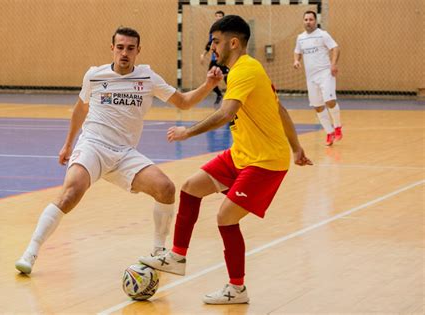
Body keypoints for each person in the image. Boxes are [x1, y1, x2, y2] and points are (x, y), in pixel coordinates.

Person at [15, 27, 223, 275]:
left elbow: (184, 103)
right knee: (70, 194)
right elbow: (80, 109)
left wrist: (209, 84)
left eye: (130, 48)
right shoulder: (94, 75)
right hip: (93, 145)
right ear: (112, 48)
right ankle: (31, 251)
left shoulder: (148, 78)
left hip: (124, 154)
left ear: (138, 51)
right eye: (120, 47)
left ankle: (158, 253)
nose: (125, 53)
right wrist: (68, 143)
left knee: (166, 189)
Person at [140, 15, 312, 304]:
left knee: (225, 216)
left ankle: (237, 289)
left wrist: (187, 132)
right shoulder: (244, 71)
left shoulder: (245, 70)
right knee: (191, 187)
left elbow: (225, 114)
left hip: (265, 161)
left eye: (216, 42)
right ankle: (177, 257)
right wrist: (297, 147)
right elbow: (279, 108)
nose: (212, 49)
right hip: (242, 154)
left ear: (234, 42)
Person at [293, 10, 342, 146]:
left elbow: (336, 48)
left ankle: (338, 126)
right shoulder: (300, 38)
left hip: (326, 73)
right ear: (303, 21)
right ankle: (329, 132)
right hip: (311, 77)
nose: (308, 22)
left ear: (316, 21)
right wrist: (296, 61)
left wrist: (333, 64)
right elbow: (297, 52)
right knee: (318, 106)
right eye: (306, 20)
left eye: (311, 19)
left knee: (329, 100)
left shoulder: (322, 35)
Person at [200, 10, 229, 108]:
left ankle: (231, 97)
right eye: (217, 16)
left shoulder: (227, 30)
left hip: (224, 58)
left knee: (228, 78)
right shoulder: (213, 30)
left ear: (223, 17)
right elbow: (210, 44)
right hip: (214, 59)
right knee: (211, 78)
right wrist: (203, 54)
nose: (218, 18)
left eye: (220, 16)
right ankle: (219, 95)